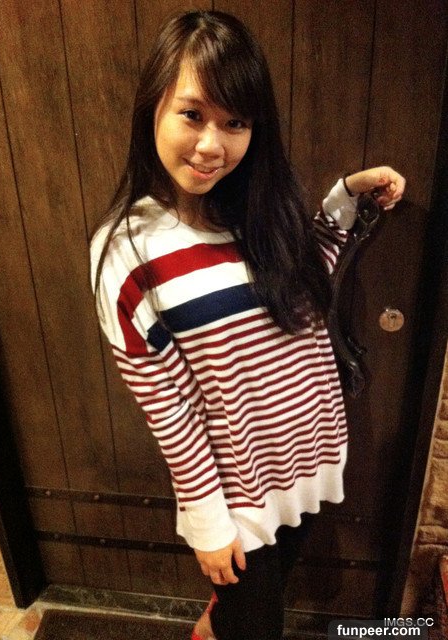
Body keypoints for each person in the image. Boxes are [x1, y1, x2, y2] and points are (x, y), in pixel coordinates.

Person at [90, 10, 405, 640]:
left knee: (260, 599)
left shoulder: (264, 210)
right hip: (238, 493)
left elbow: (308, 277)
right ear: (153, 107)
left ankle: (216, 624)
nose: (213, 145)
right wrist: (208, 524)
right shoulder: (127, 253)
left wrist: (347, 195)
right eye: (192, 114)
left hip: (310, 455)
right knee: (258, 625)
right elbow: (169, 408)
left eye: (235, 122)